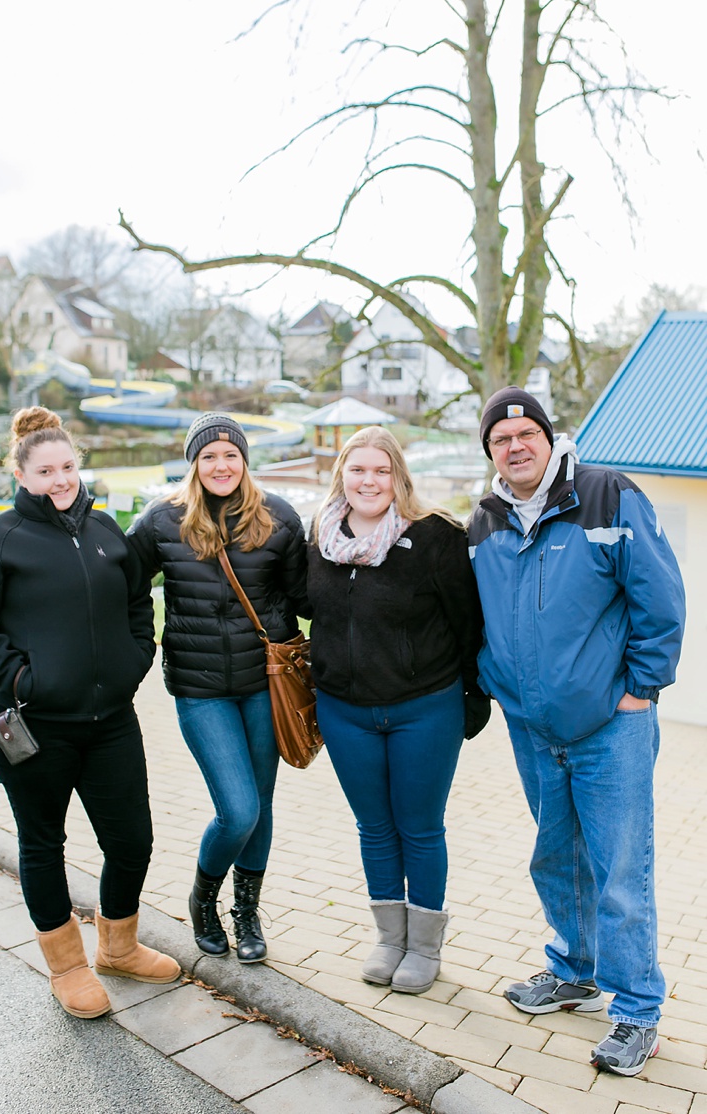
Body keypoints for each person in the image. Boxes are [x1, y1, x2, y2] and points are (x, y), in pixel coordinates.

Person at [469, 386, 685, 1076]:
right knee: (556, 859)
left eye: (527, 433)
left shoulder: (603, 495)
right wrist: (495, 680)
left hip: (609, 727)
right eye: (501, 441)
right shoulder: (484, 521)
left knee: (620, 869)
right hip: (532, 728)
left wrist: (640, 689)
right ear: (491, 453)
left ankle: (637, 1010)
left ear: (548, 437)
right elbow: (476, 615)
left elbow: (660, 595)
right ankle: (574, 971)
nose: (515, 446)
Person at [0, 407, 179, 1019]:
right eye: (46, 470)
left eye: (68, 467)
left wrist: (134, 662)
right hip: (30, 724)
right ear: (20, 474)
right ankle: (68, 967)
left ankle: (118, 947)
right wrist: (25, 677)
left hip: (109, 722)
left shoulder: (106, 532)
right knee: (43, 842)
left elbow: (137, 605)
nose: (61, 479)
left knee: (133, 839)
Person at [306, 426, 487, 995]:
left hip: (424, 709)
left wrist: (472, 694)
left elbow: (467, 620)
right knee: (375, 828)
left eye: (380, 470)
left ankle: (425, 947)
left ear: (398, 477)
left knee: (420, 828)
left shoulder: (435, 537)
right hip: (344, 711)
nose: (368, 480)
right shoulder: (319, 539)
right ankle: (389, 939)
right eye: (357, 469)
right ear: (342, 476)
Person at [126, 412, 308, 963]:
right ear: (194, 463)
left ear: (245, 460)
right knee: (238, 809)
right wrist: (138, 650)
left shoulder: (279, 518)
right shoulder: (162, 521)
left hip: (264, 685)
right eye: (209, 456)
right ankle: (203, 899)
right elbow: (120, 587)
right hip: (200, 689)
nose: (221, 465)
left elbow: (306, 598)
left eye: (230, 455)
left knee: (262, 805)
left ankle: (246, 911)